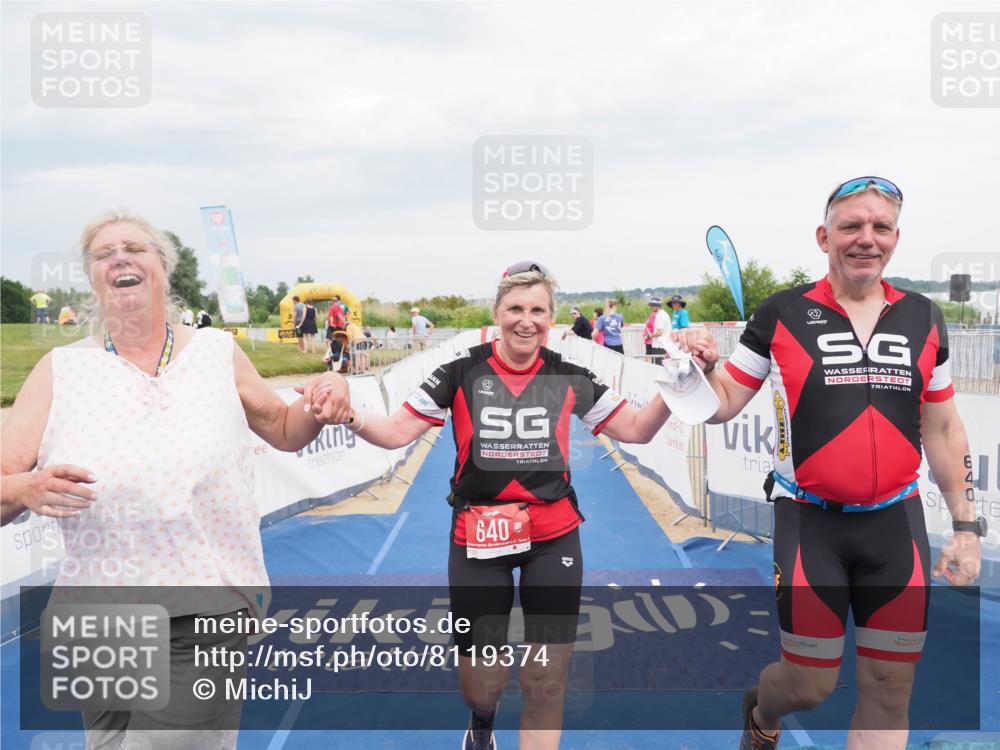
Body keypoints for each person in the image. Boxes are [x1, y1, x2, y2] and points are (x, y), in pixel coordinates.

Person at [0, 210, 347, 747]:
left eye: (134, 248)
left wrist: (320, 406)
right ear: (92, 277)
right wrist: (23, 488)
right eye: (103, 253)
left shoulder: (216, 352)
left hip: (203, 604)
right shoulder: (59, 370)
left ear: (163, 266)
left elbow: (282, 426)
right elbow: (4, 481)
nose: (120, 257)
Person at [306, 261, 679, 750]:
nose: (527, 320)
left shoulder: (570, 375)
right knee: (482, 683)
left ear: (553, 319)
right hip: (476, 538)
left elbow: (637, 429)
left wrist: (682, 384)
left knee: (546, 680)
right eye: (516, 309)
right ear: (497, 312)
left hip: (553, 537)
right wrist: (349, 413)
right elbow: (396, 432)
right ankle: (482, 720)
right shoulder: (461, 372)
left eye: (538, 310)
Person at [676, 178, 983, 750]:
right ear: (824, 237)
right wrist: (694, 371)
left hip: (895, 523)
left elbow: (943, 428)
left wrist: (966, 528)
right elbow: (721, 404)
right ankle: (761, 712)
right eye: (851, 226)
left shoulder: (924, 317)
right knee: (809, 684)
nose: (866, 239)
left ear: (895, 239)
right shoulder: (782, 313)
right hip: (810, 522)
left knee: (891, 687)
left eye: (880, 227)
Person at [647, 297, 671, 363]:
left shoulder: (660, 316)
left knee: (658, 367)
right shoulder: (664, 314)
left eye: (651, 305)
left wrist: (649, 336)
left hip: (659, 346)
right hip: (664, 345)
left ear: (656, 305)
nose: (650, 307)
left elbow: (659, 333)